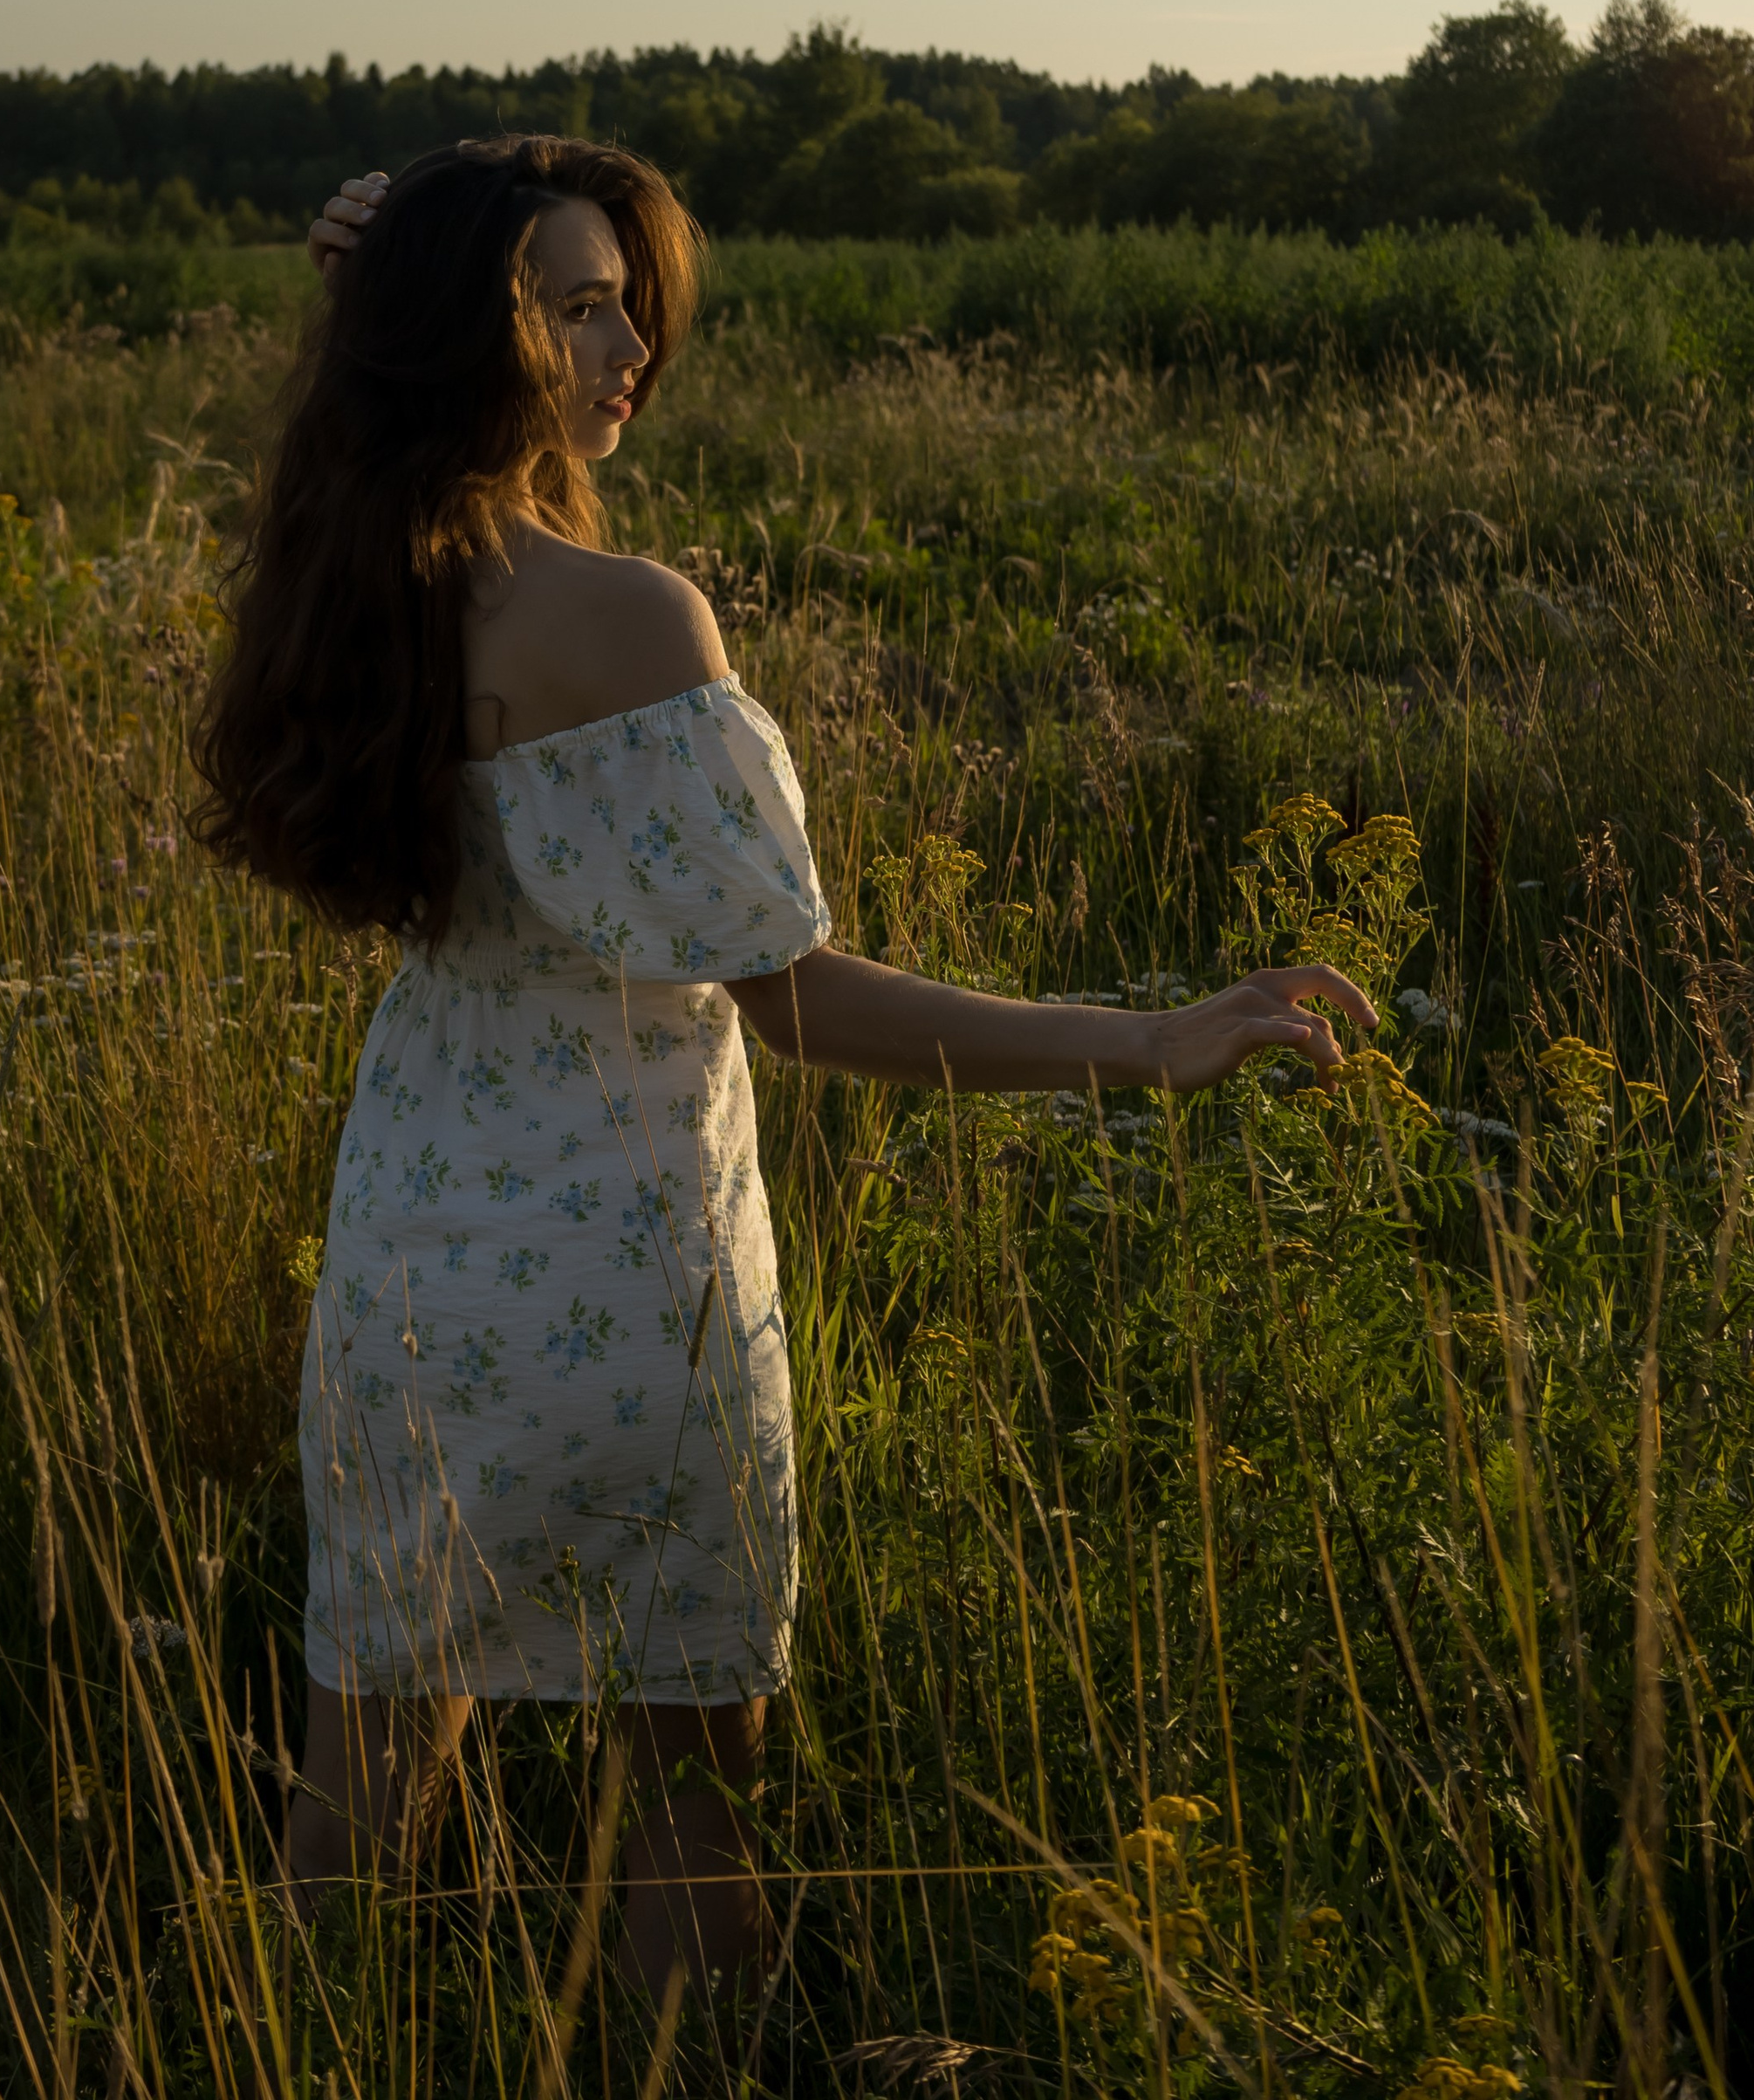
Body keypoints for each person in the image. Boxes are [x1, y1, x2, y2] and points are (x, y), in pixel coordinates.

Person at [190, 139, 1372, 2018]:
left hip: (413, 1269)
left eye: (626, 303)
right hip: (629, 1290)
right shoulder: (631, 622)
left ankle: (271, 2059)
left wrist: (394, 261)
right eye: (571, 307)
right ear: (472, 337)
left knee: (359, 1778)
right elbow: (796, 1000)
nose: (626, 343)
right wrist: (1150, 1040)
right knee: (689, 1793)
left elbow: (418, 407)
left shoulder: (348, 578)